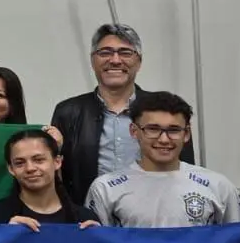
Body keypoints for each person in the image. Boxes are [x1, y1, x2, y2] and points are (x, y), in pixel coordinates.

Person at [85, 91, 240, 231]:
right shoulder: (106, 188)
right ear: (134, 132)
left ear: (186, 134)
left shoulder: (216, 185)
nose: (164, 139)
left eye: (174, 130)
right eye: (153, 129)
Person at [51, 24, 193, 204]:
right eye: (105, 52)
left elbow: (187, 170)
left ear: (139, 62)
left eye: (125, 53)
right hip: (89, 214)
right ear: (93, 60)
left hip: (157, 210)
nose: (115, 60)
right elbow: (55, 173)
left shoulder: (165, 110)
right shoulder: (68, 112)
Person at [0, 129, 100, 231]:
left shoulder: (85, 218)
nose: (30, 168)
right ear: (11, 169)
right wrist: (3, 234)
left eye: (38, 160)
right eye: (20, 163)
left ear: (57, 162)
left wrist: (97, 239)